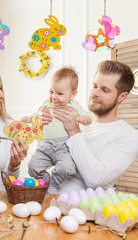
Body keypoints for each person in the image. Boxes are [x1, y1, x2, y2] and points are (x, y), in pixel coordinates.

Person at [39, 60, 138, 194]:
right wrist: (41, 127)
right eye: (94, 85)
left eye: (105, 90)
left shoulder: (129, 136)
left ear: (122, 96)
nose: (95, 93)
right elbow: (49, 160)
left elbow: (95, 179)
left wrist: (74, 131)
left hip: (83, 209)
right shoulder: (75, 116)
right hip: (47, 198)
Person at [23, 67, 92, 194]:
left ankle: (52, 184)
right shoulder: (45, 103)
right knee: (32, 166)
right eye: (51, 91)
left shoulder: (73, 105)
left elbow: (89, 116)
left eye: (59, 94)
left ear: (73, 94)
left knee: (67, 168)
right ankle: (44, 182)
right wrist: (29, 118)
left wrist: (85, 118)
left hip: (63, 149)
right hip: (44, 148)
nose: (54, 97)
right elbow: (35, 114)